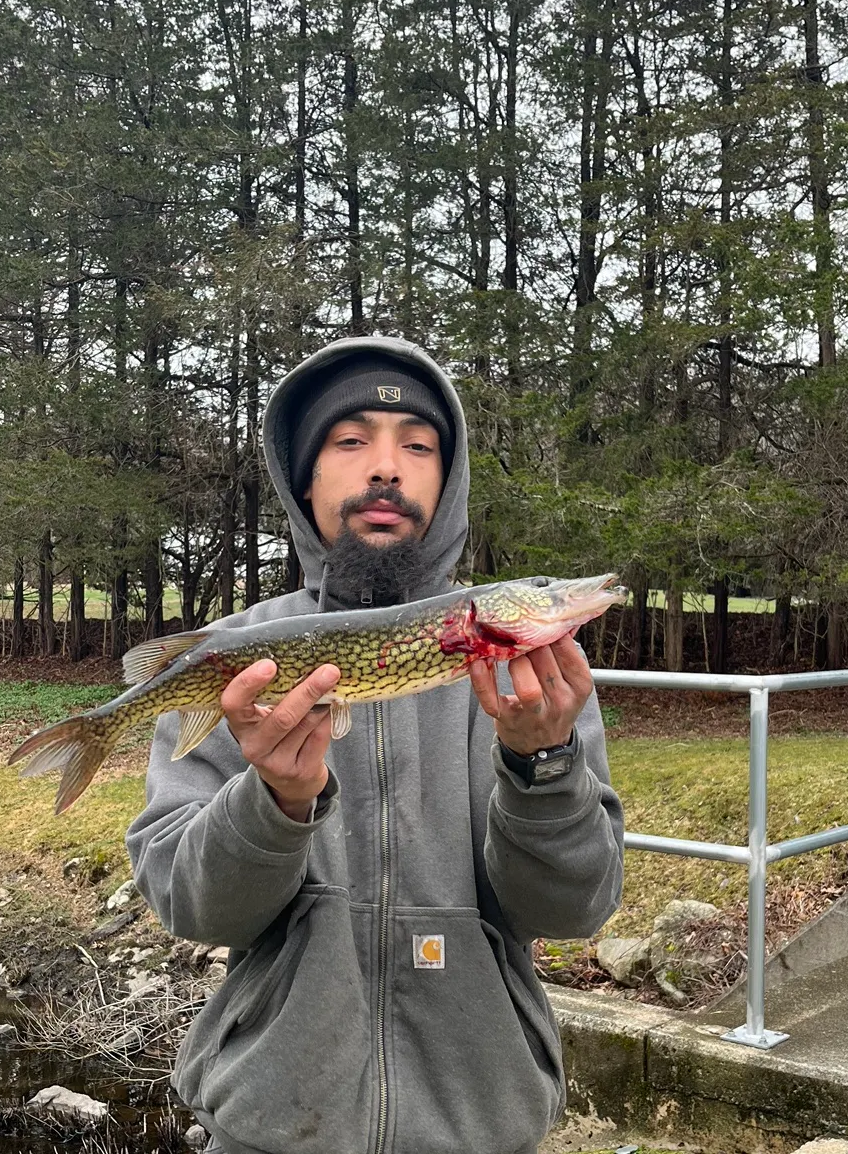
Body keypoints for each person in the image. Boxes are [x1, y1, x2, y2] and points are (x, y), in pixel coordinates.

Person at [126, 336, 624, 1154]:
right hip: (270, 1128)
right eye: (351, 441)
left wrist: (544, 766)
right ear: (307, 478)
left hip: (479, 1125)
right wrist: (275, 804)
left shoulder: (535, 680)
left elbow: (571, 910)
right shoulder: (237, 655)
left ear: (448, 479)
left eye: (417, 446)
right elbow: (195, 909)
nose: (386, 467)